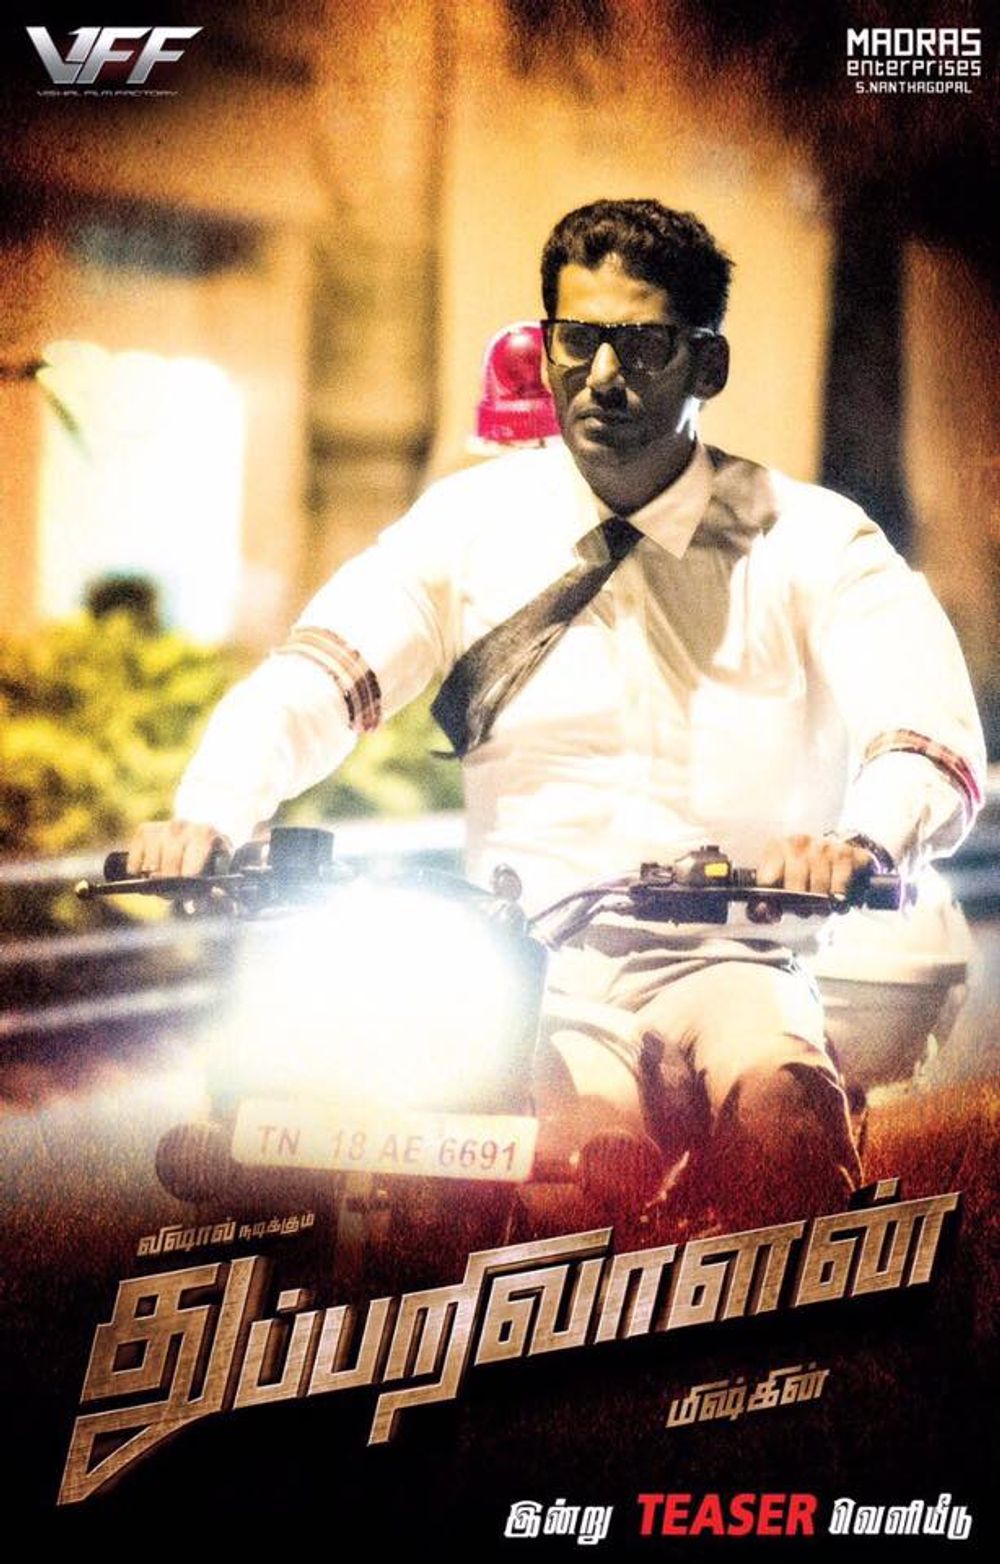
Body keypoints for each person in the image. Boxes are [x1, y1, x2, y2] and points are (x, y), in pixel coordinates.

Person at [129, 199, 986, 1230]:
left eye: (644, 344)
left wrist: (864, 840)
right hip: (527, 964)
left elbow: (925, 732)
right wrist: (211, 811)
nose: (603, 374)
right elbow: (318, 676)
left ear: (707, 365)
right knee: (516, 1171)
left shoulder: (810, 540)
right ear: (544, 351)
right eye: (576, 339)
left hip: (740, 958)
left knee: (781, 1125)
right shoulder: (468, 527)